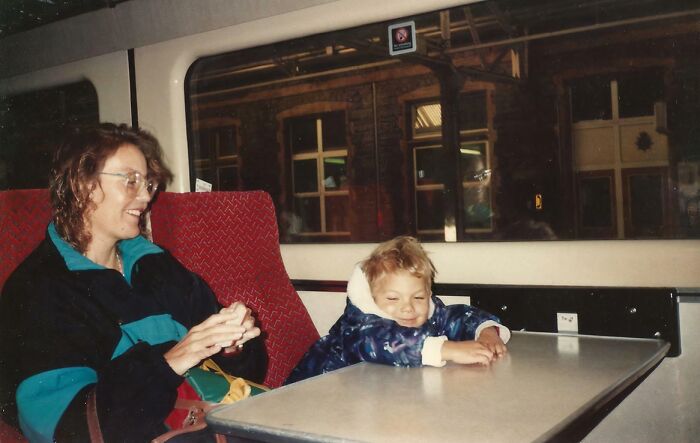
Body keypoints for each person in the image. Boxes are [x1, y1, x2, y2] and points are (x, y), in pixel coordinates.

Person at [0, 124, 267, 442]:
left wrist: (233, 347)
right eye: (130, 181)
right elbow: (68, 429)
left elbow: (243, 377)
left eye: (148, 183)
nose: (145, 197)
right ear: (82, 185)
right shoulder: (38, 291)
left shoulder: (156, 265)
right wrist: (169, 363)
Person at [285, 236, 510, 384]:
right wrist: (447, 349)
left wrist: (486, 331)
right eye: (393, 298)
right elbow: (384, 343)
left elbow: (456, 316)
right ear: (372, 297)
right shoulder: (359, 328)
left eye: (418, 297)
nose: (408, 307)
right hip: (313, 401)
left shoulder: (429, 314)